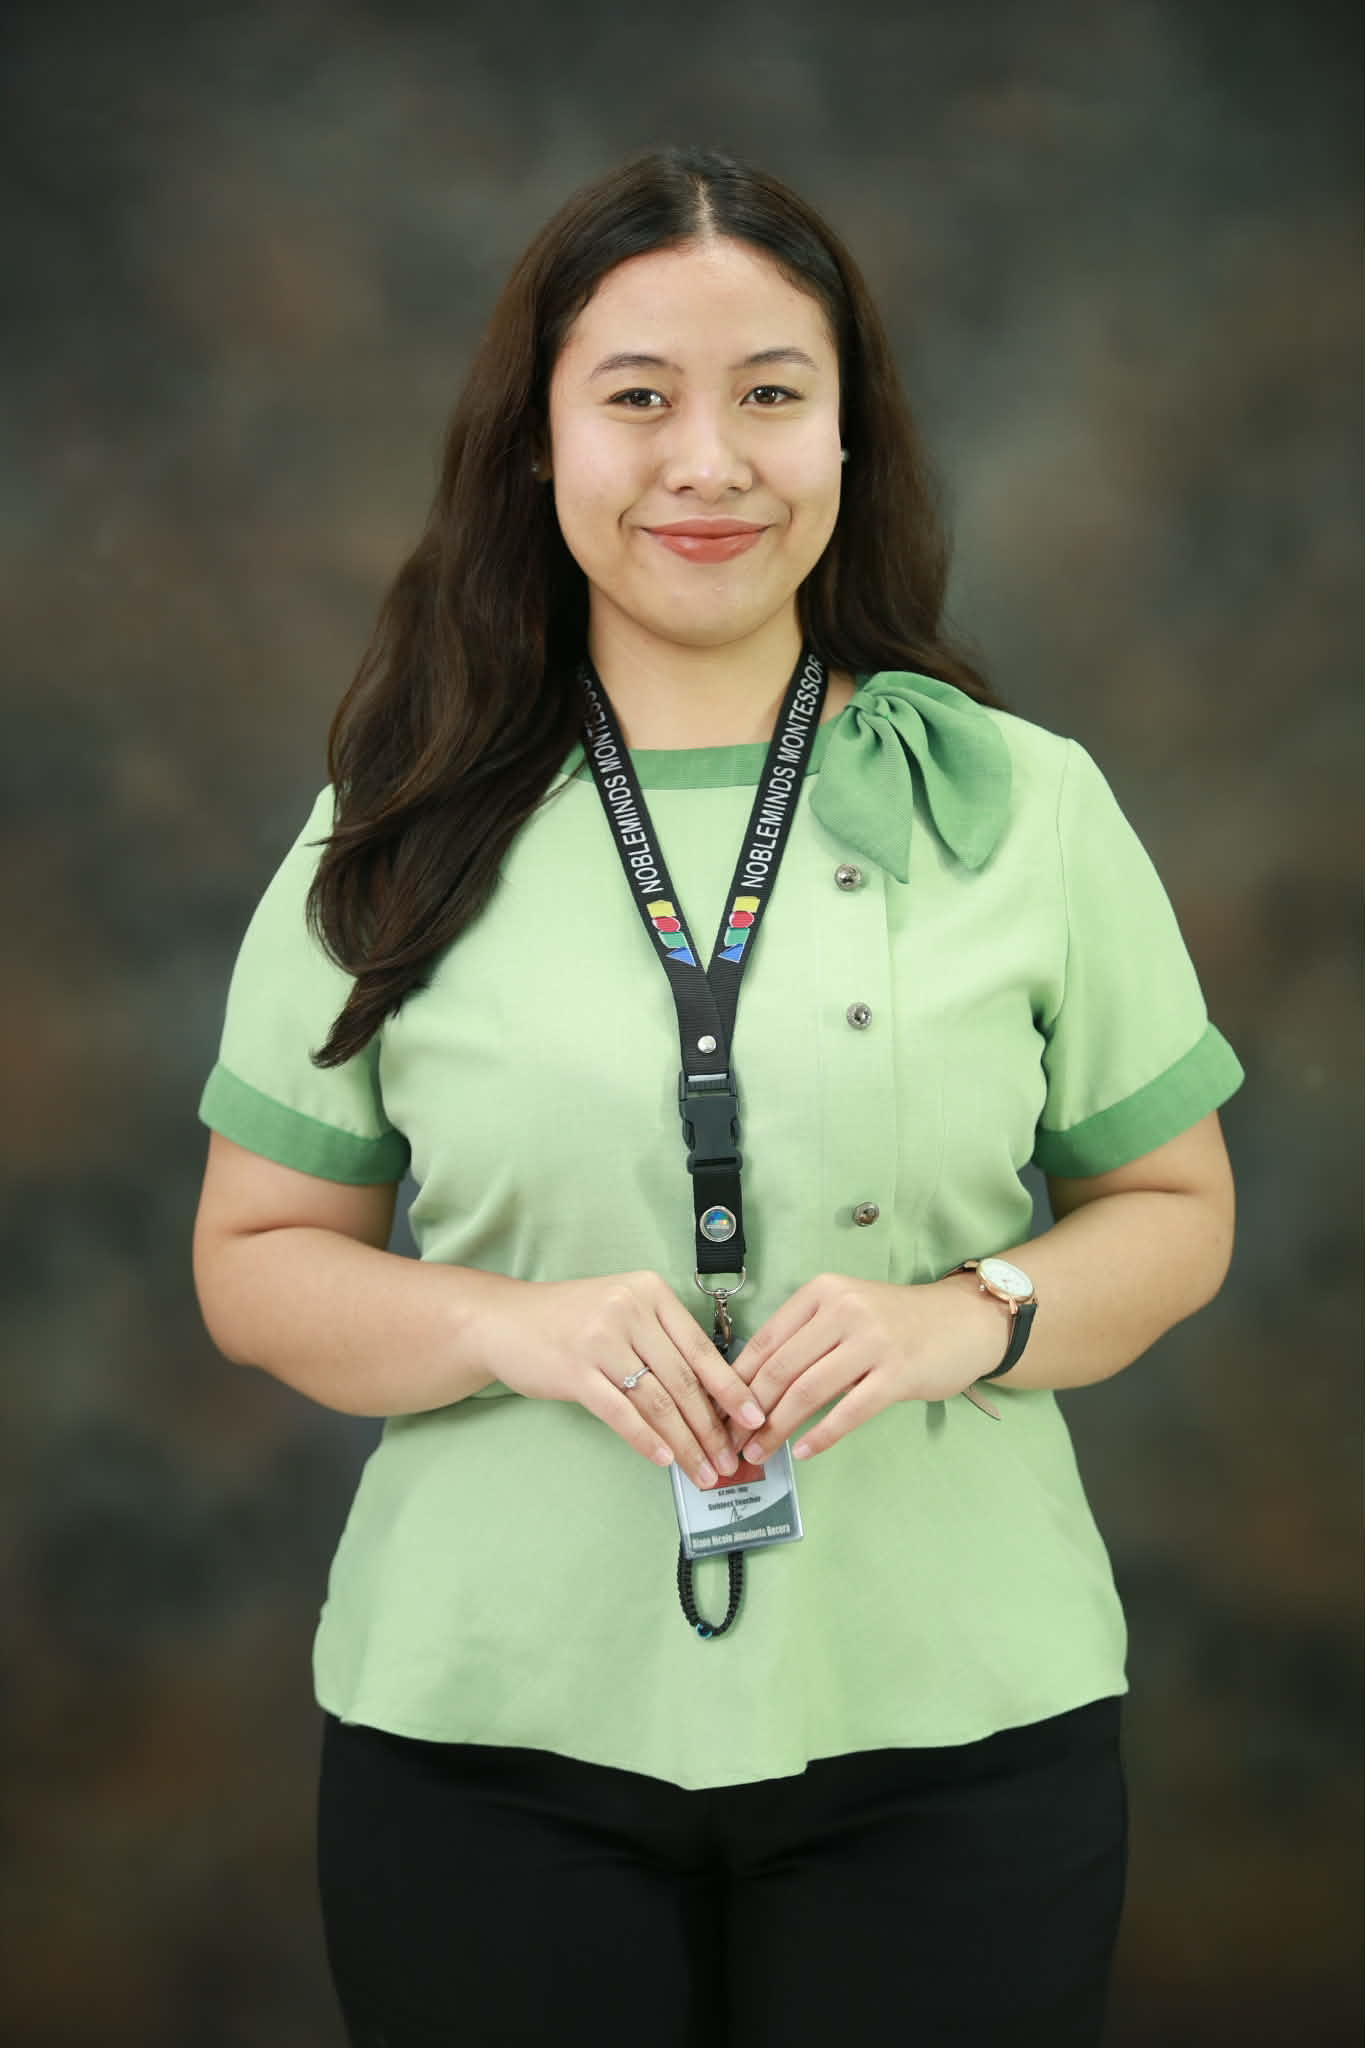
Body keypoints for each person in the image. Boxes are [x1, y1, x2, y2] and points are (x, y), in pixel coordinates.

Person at [191, 145, 1244, 2048]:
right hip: (484, 1737)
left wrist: (968, 1316)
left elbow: (1176, 1208)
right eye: (636, 398)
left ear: (848, 437)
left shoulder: (1027, 801)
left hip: (959, 1730)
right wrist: (505, 1325)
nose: (708, 462)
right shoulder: (394, 820)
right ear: (538, 444)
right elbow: (255, 1257)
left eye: (770, 394)